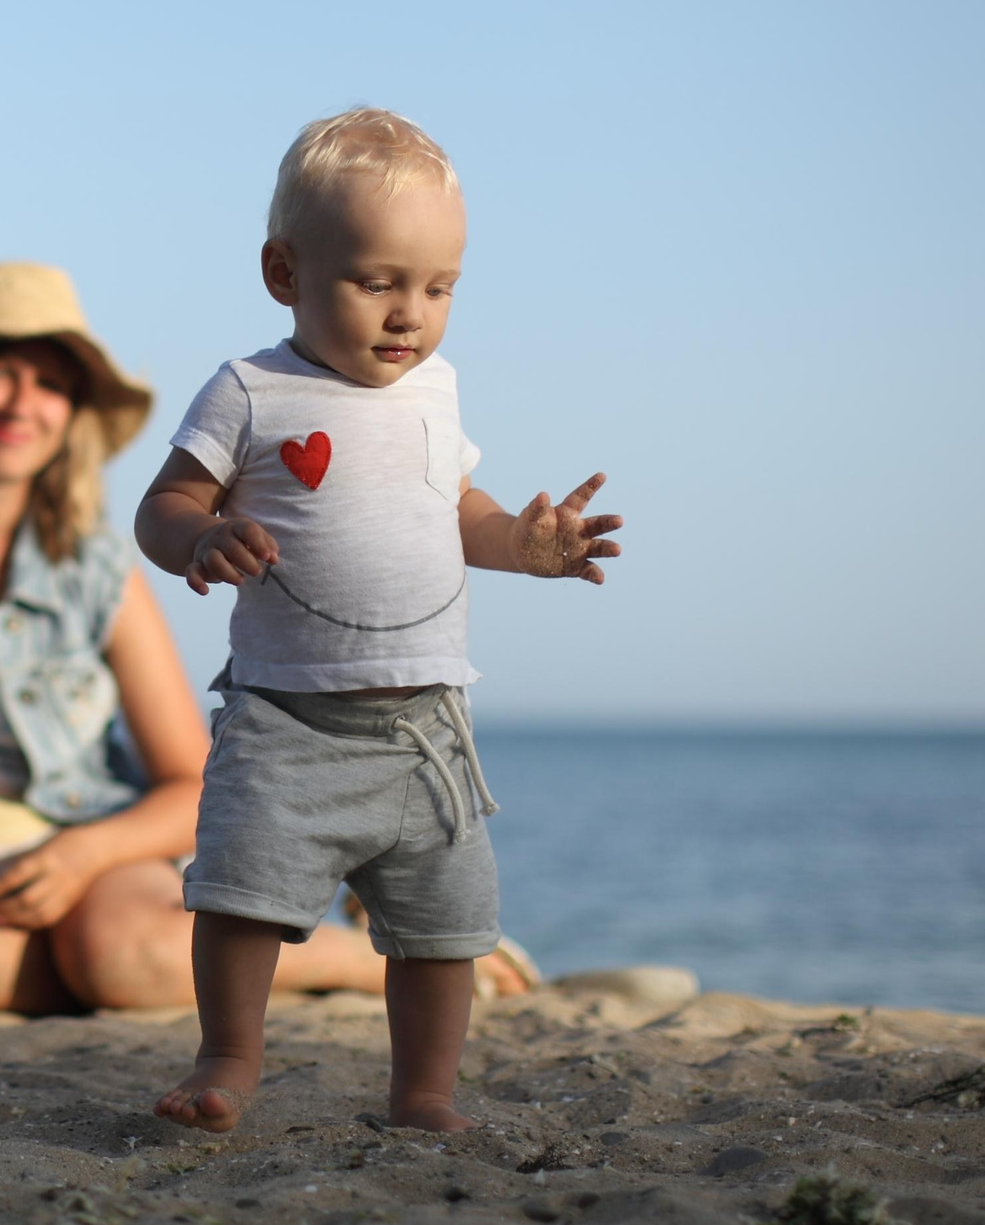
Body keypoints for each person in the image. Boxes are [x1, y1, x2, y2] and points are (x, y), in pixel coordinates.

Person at [136, 109, 626, 1133]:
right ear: (285, 273)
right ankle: (227, 1059)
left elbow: (460, 513)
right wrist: (199, 539)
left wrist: (529, 548)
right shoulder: (249, 390)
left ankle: (422, 1094)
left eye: (437, 287)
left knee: (442, 930)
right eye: (376, 282)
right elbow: (162, 505)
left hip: (424, 733)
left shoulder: (435, 391)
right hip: (287, 724)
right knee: (238, 899)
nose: (409, 314)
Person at [0, 263, 396, 1014]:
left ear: (73, 412)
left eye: (50, 383)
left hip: (91, 850)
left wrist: (80, 855)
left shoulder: (96, 567)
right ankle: (121, 973)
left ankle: (363, 959)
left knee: (118, 948)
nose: (24, 402)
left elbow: (190, 781)